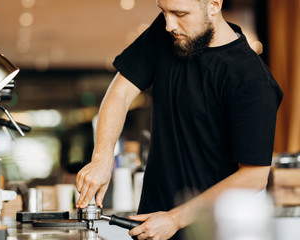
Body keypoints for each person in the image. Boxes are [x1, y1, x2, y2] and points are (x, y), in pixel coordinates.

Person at [76, 0, 283, 239]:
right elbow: (120, 93)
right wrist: (102, 158)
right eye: (163, 12)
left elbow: (254, 177)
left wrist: (174, 219)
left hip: (209, 232)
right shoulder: (170, 34)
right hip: (151, 228)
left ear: (214, 5)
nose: (168, 24)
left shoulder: (252, 81)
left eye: (180, 13)